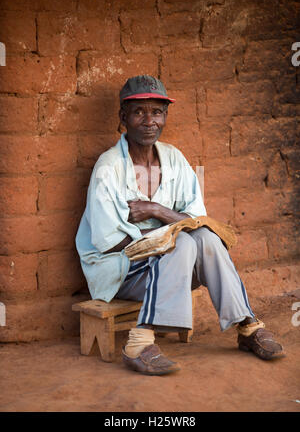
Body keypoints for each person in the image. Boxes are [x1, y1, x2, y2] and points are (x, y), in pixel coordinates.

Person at [76, 75, 284, 375]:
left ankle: (248, 326)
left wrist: (156, 210)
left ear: (165, 117)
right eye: (138, 112)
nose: (149, 121)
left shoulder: (174, 159)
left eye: (157, 112)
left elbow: (198, 221)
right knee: (184, 240)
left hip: (173, 266)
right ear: (123, 118)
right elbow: (109, 240)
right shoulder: (108, 168)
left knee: (205, 239)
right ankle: (139, 342)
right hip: (118, 269)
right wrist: (171, 233)